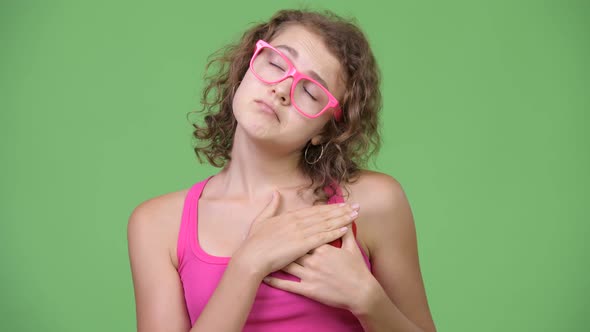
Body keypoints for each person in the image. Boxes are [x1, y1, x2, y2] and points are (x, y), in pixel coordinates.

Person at [127, 9, 436, 332]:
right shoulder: (157, 224)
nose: (282, 89)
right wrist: (249, 263)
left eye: (310, 91)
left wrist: (368, 300)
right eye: (275, 64)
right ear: (247, 66)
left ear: (325, 130)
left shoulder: (370, 203)